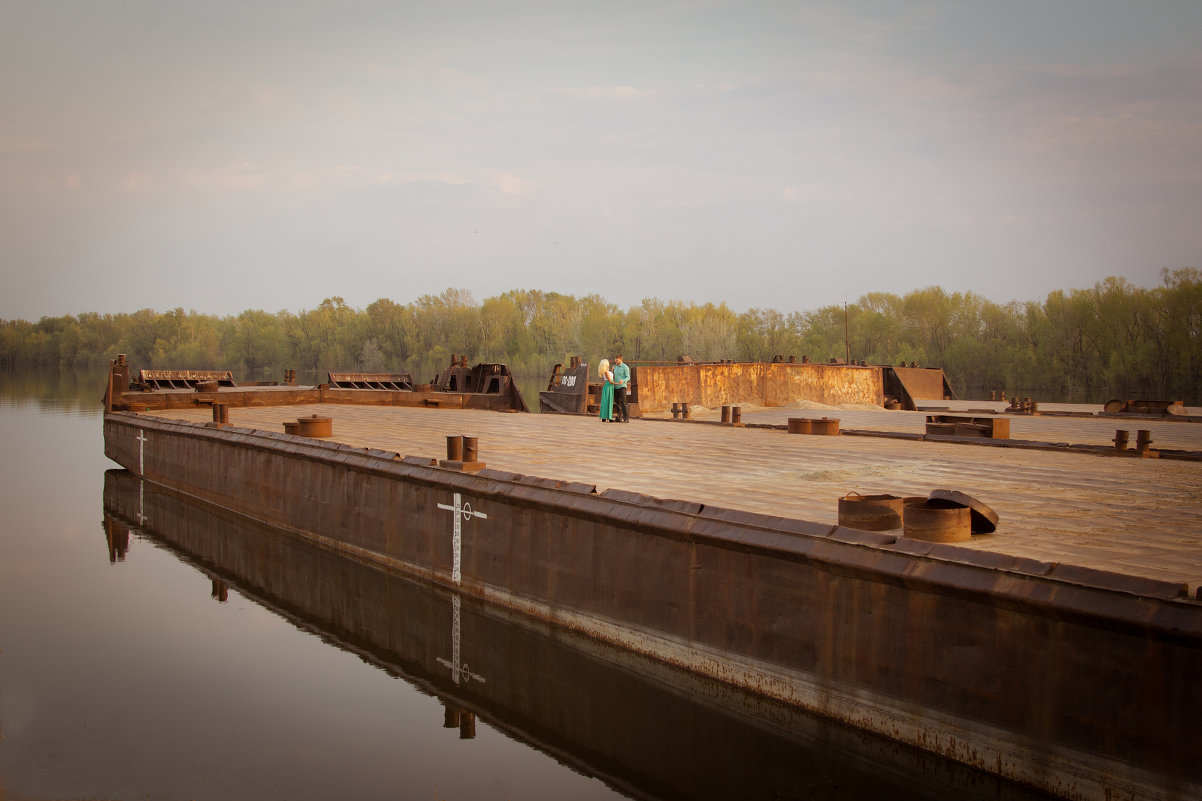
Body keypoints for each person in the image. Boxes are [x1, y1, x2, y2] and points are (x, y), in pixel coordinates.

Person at [612, 354, 630, 423]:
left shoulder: (625, 367)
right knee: (617, 403)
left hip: (622, 387)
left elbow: (628, 377)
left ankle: (626, 418)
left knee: (623, 402)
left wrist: (623, 380)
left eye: (617, 359)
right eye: (615, 359)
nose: (616, 360)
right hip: (615, 387)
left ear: (621, 359)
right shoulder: (615, 367)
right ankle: (619, 417)